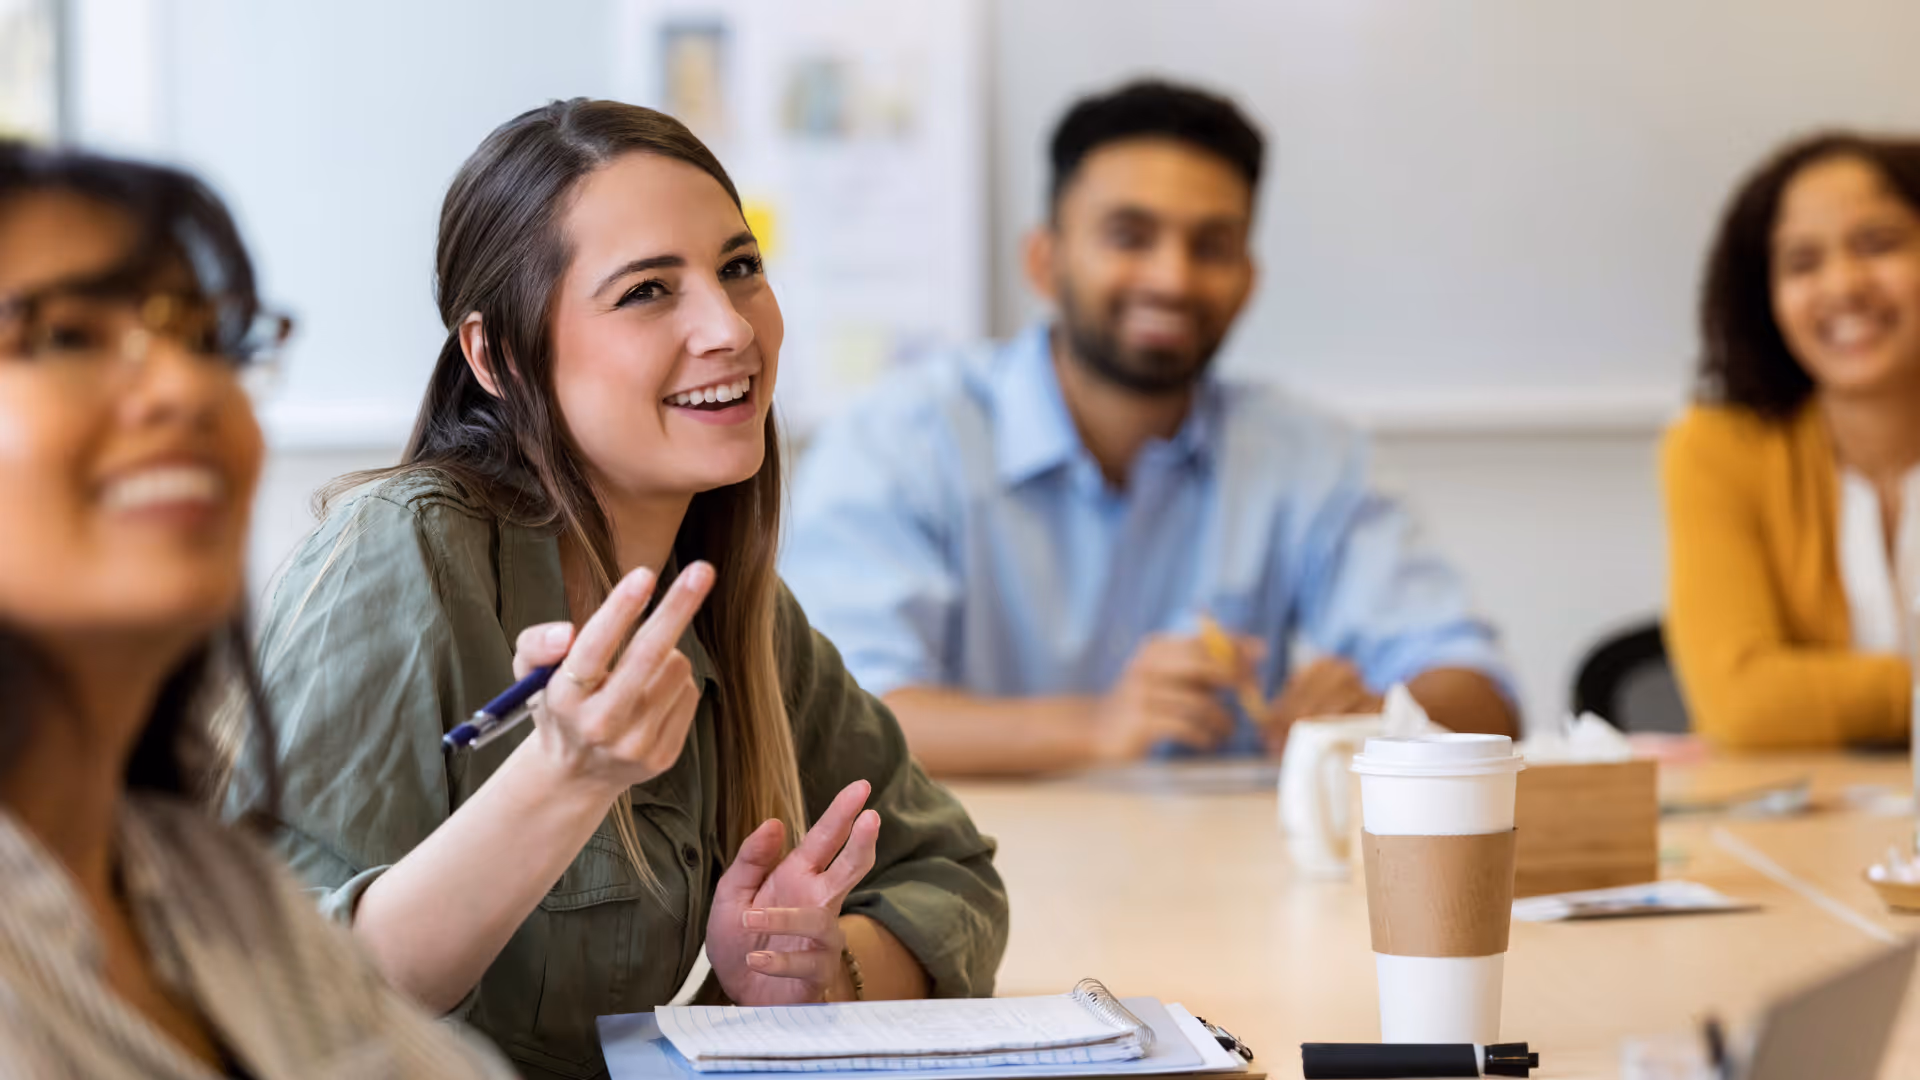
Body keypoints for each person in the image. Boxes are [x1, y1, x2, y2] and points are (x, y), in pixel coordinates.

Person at [227, 99, 1007, 1079]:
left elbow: (950, 876)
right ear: (497, 356)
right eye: (647, 291)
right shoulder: (402, 557)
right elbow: (285, 989)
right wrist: (562, 778)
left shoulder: (721, 600)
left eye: (740, 267)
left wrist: (819, 972)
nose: (729, 327)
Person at [782, 79, 1517, 776]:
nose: (1171, 278)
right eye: (1130, 237)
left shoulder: (1307, 455)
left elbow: (1483, 693)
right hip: (968, 884)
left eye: (1211, 246)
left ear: (1248, 279)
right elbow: (832, 719)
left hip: (1227, 887)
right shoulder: (899, 442)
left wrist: (1383, 717)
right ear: (1045, 260)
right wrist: (1097, 726)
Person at [0, 143, 513, 1077]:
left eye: (208, 342)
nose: (188, 389)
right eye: (68, 335)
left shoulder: (210, 888)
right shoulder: (402, 539)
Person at [1663, 133, 1920, 750]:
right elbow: (1742, 704)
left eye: (1877, 245)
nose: (1843, 285)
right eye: (1802, 263)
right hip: (1798, 832)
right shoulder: (1717, 449)